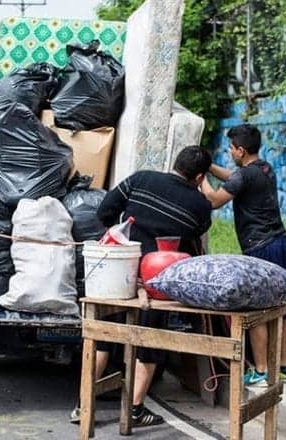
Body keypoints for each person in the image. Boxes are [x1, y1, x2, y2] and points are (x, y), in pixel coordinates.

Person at [71, 145, 213, 427]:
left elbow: (104, 212)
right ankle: (135, 410)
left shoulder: (142, 178)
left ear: (174, 163)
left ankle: (83, 405)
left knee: (105, 336)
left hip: (120, 270)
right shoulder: (201, 205)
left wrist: (122, 234)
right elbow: (193, 235)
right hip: (158, 279)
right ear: (199, 178)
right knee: (149, 342)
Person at [201, 123, 286, 386]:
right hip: (280, 243)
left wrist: (202, 179)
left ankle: (262, 369)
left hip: (260, 247)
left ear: (240, 150)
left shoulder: (243, 177)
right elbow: (234, 177)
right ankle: (283, 366)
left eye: (231, 148)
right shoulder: (264, 168)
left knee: (257, 307)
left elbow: (214, 201)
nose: (229, 152)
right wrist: (210, 167)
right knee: (284, 306)